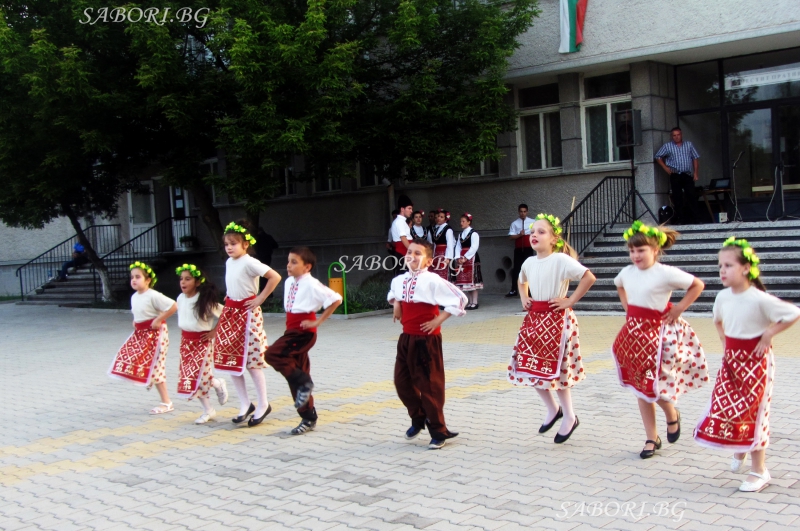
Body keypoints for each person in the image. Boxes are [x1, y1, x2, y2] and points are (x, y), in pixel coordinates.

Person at [694, 238, 800, 492]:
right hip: (732, 363)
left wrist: (769, 333)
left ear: (745, 268)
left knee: (755, 412)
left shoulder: (758, 299)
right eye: (720, 265)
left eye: (728, 265)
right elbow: (718, 320)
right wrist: (725, 344)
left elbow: (793, 313)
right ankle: (741, 446)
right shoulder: (722, 296)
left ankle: (759, 470)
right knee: (729, 407)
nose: (722, 270)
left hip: (757, 365)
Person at [612, 221, 709, 459]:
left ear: (655, 250)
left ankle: (671, 413)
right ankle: (651, 437)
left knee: (655, 385)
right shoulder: (627, 272)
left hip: (659, 336)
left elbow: (697, 285)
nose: (635, 255)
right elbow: (619, 285)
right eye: (632, 251)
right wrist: (627, 308)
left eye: (641, 250)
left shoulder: (665, 273)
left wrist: (678, 308)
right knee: (640, 386)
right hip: (635, 335)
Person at [507, 214, 596, 443]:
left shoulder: (560, 260)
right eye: (532, 232)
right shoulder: (528, 262)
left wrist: (570, 300)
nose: (534, 235)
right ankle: (553, 409)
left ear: (554, 239)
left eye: (541, 231)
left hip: (558, 320)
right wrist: (524, 297)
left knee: (558, 370)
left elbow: (588, 277)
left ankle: (570, 416)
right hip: (534, 319)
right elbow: (521, 280)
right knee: (528, 366)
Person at [388, 239, 468, 449]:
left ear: (429, 261)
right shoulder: (399, 280)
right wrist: (396, 303)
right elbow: (394, 293)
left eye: (418, 253)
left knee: (430, 386)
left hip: (426, 340)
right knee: (402, 382)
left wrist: (438, 320)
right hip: (406, 338)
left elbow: (460, 299)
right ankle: (418, 417)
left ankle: (438, 430)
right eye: (409, 252)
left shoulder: (432, 280)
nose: (412, 256)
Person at [264, 247, 342, 435]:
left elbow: (336, 299)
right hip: (291, 330)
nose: (288, 265)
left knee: (272, 354)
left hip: (303, 333)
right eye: (288, 261)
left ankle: (304, 382)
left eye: (294, 262)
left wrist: (318, 321)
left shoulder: (311, 283)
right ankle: (308, 417)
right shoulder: (289, 281)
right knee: (296, 373)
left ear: (307, 267)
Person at [214, 220, 282, 427]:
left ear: (245, 244)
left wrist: (260, 298)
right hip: (231, 314)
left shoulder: (250, 262)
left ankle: (263, 403)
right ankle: (245, 403)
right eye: (227, 244)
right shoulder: (229, 262)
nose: (229, 247)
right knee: (231, 361)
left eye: (234, 243)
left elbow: (274, 277)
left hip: (248, 314)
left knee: (252, 361)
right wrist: (229, 295)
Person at [109, 261, 177, 414]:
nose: (134, 280)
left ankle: (167, 402)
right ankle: (151, 381)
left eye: (138, 277)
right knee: (132, 358)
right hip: (141, 335)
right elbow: (139, 312)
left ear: (148, 280)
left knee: (157, 367)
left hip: (156, 335)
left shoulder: (153, 295)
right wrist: (135, 320)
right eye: (132, 277)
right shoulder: (134, 296)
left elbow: (173, 306)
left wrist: (158, 319)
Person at [174, 264, 229, 424]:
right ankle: (210, 402)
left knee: (200, 376)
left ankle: (212, 397)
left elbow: (226, 314)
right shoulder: (180, 298)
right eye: (181, 279)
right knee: (191, 376)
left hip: (202, 342)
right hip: (186, 342)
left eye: (188, 279)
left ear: (197, 282)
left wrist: (214, 331)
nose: (183, 282)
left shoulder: (204, 300)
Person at [655, 127, 701, 225]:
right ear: (672, 136)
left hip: (687, 174)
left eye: (678, 135)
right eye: (674, 135)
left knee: (691, 196)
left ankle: (696, 218)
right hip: (675, 175)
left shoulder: (689, 145)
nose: (676, 137)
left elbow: (695, 158)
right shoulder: (667, 146)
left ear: (681, 135)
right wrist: (665, 168)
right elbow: (658, 156)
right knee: (677, 197)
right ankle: (681, 219)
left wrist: (696, 173)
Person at [453, 213, 483, 309]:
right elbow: (458, 246)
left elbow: (474, 247)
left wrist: (465, 257)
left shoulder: (474, 233)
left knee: (473, 281)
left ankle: (475, 302)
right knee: (467, 282)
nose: (461, 223)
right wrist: (458, 257)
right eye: (461, 221)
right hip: (462, 257)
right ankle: (470, 302)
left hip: (471, 258)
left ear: (469, 222)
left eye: (463, 221)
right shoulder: (460, 234)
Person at [507, 204, 536, 297]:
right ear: (518, 212)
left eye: (524, 211)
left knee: (530, 269)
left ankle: (531, 290)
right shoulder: (515, 223)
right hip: (519, 249)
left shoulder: (532, 222)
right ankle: (514, 289)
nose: (523, 213)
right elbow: (511, 237)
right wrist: (520, 235)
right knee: (517, 269)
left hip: (528, 249)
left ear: (527, 212)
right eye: (521, 211)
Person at [390, 195, 414, 275]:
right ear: (402, 209)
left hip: (405, 253)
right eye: (409, 208)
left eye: (411, 209)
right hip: (402, 253)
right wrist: (413, 251)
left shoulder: (402, 221)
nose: (411, 211)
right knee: (404, 276)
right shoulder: (399, 222)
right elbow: (403, 238)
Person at [431, 209, 455, 281]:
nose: (439, 218)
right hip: (436, 254)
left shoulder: (448, 229)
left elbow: (450, 244)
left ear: (445, 219)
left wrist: (448, 258)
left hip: (444, 254)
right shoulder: (436, 229)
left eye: (441, 217)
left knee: (443, 275)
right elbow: (434, 244)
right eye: (438, 216)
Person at [256, 227, 279, 293]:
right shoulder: (268, 237)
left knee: (262, 275)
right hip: (267, 257)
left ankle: (263, 290)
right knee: (266, 274)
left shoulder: (257, 238)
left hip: (259, 257)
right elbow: (275, 245)